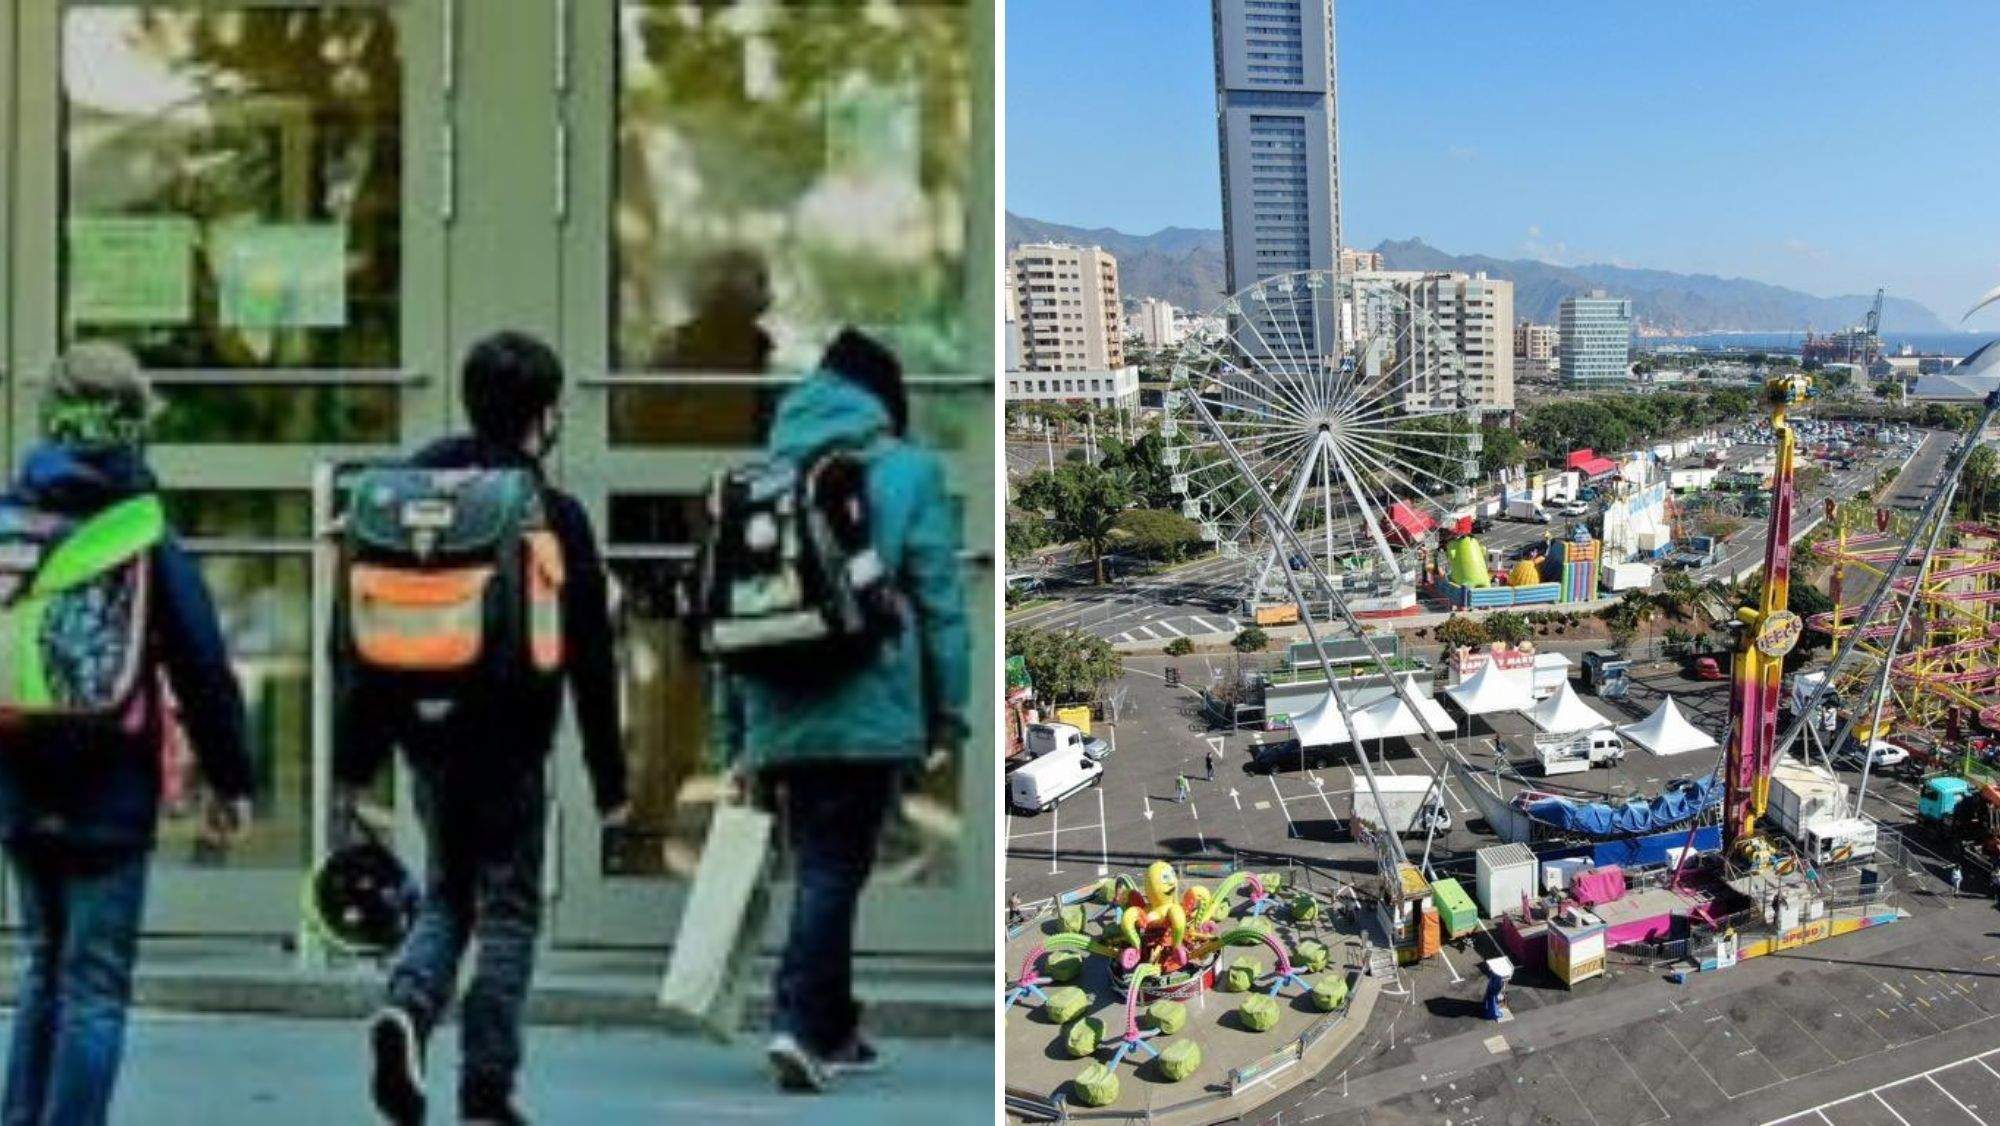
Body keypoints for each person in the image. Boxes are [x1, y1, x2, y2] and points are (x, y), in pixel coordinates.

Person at [338, 332, 630, 1125]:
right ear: (542, 416)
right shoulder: (552, 516)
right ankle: (486, 1090)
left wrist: (353, 761)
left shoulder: (404, 509)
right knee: (507, 909)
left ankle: (408, 1006)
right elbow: (592, 662)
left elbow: (356, 636)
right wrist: (611, 783)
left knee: (446, 895)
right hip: (511, 744)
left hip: (424, 739)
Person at [0, 343, 254, 1125]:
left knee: (44, 968)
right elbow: (203, 668)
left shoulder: (11, 521)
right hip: (109, 787)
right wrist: (231, 780)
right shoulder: (142, 533)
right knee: (96, 986)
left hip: (15, 779)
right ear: (133, 428)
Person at [711, 329, 969, 1093]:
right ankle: (796, 1023)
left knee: (826, 865)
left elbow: (728, 620)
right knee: (833, 866)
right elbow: (940, 604)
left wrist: (735, 733)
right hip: (870, 701)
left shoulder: (760, 476)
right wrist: (949, 709)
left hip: (774, 705)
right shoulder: (909, 471)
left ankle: (835, 1027)